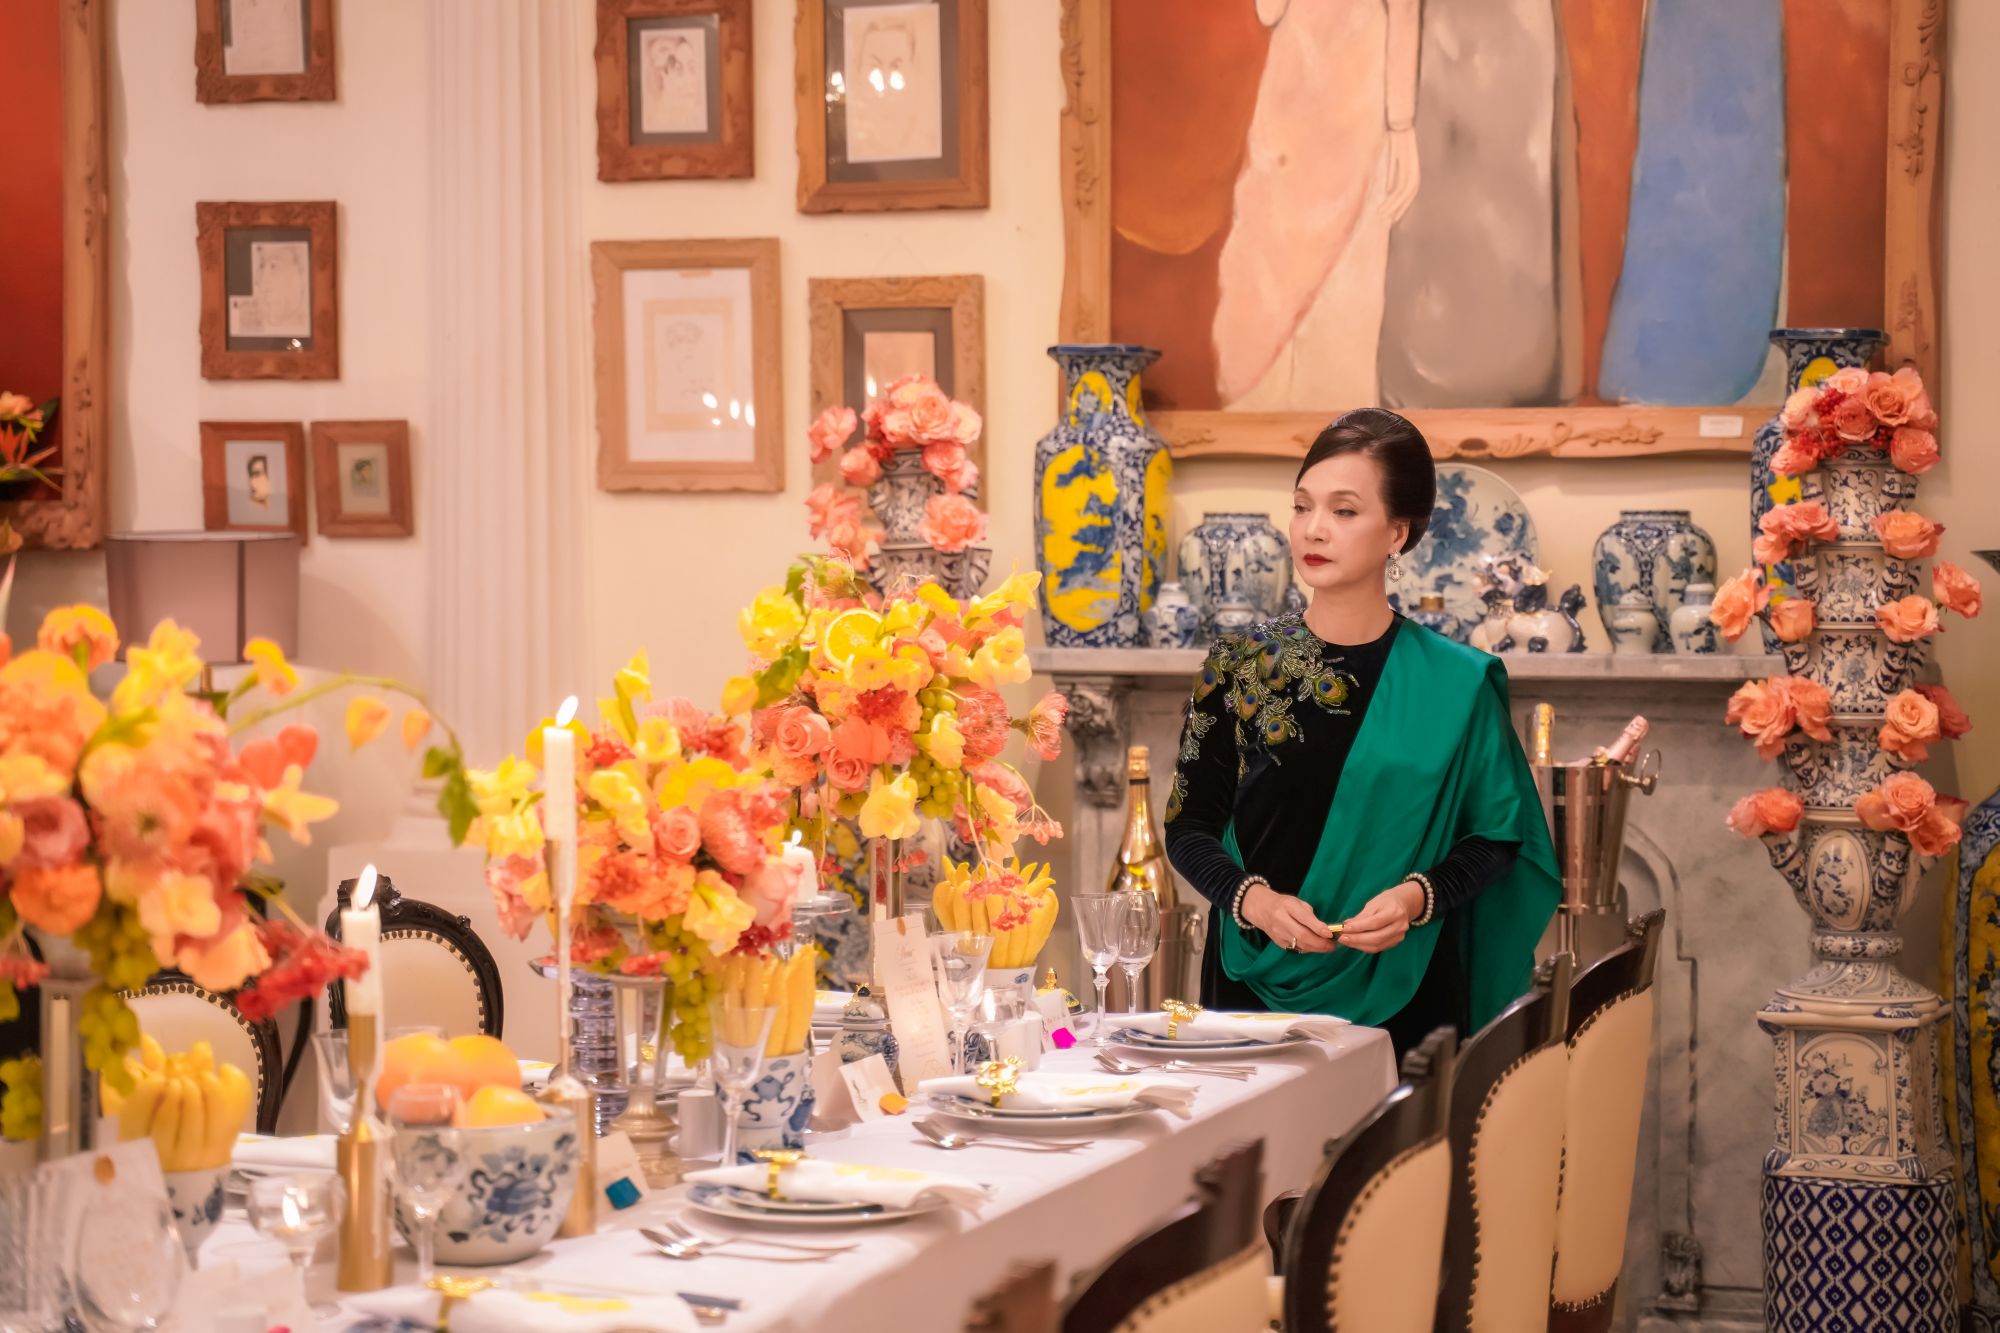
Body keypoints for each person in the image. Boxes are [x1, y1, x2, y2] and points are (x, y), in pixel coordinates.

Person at [1163, 408, 1559, 1057]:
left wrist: (1415, 898)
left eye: (1344, 510)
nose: (1314, 528)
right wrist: (1253, 901)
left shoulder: (1456, 681)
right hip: (1252, 986)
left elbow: (1496, 837)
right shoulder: (1239, 663)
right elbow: (1188, 828)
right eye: (1302, 506)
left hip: (1407, 989)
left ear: (1398, 532)